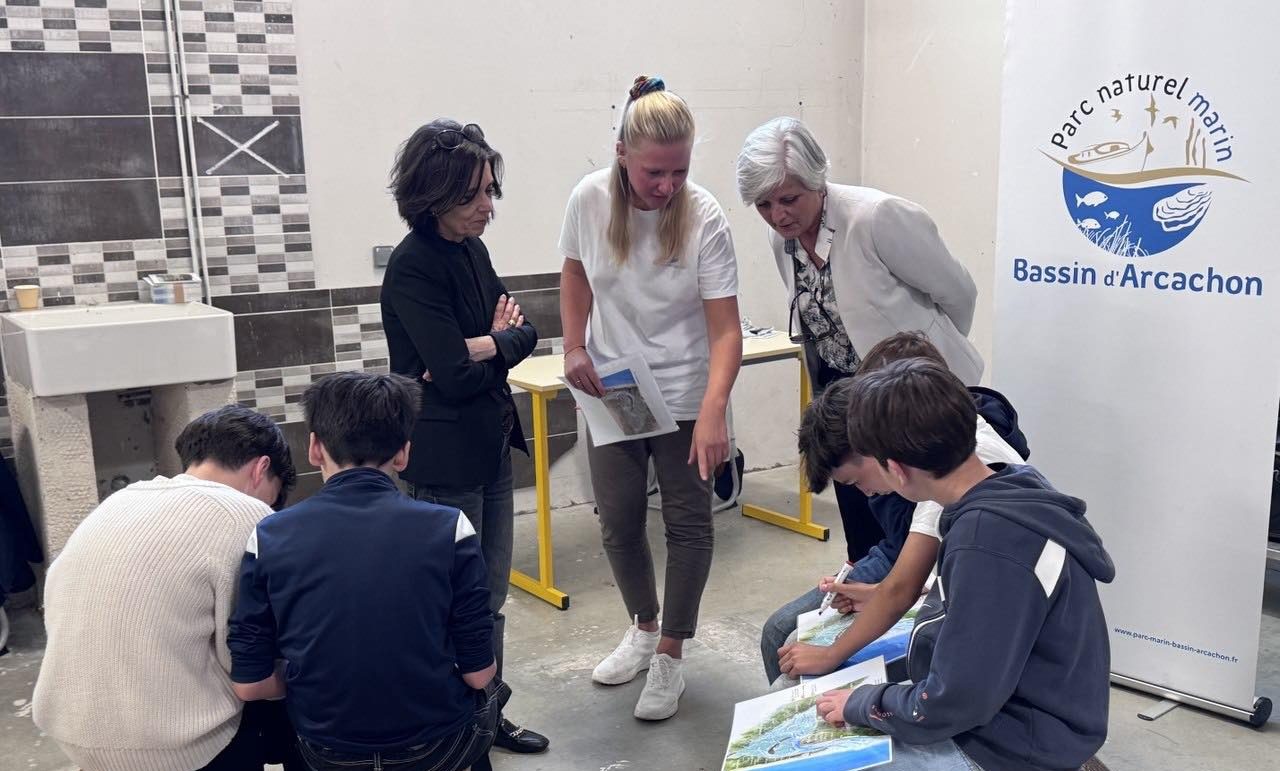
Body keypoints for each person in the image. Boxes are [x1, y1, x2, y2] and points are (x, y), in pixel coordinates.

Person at [813, 359, 1113, 771]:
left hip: (1017, 745)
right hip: (1023, 713)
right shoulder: (1009, 487)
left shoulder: (987, 541)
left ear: (896, 469)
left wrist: (865, 703)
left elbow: (955, 701)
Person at [559, 75, 742, 720]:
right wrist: (574, 346)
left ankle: (671, 652)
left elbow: (726, 329)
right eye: (654, 172)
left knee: (688, 521)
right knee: (618, 518)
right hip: (616, 386)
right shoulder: (588, 200)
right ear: (622, 154)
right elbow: (575, 273)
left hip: (688, 388)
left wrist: (714, 412)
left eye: (679, 171)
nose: (667, 186)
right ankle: (642, 626)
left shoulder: (704, 214)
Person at [228, 372, 510, 771]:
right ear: (403, 454)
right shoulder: (450, 528)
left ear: (314, 448)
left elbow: (250, 683)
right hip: (436, 747)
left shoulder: (269, 535)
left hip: (326, 751)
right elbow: (478, 675)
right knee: (485, 702)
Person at [736, 117, 983, 566]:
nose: (778, 215)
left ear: (817, 181)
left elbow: (959, 293)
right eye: (764, 205)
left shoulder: (877, 218)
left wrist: (926, 366)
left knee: (919, 526)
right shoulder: (782, 240)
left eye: (789, 199)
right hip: (843, 397)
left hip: (913, 398)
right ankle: (865, 586)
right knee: (861, 516)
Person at [381, 118, 548, 754]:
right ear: (433, 195)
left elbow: (526, 333)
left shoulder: (472, 250)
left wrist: (485, 344)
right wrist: (488, 346)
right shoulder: (413, 267)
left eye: (489, 191)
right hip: (442, 458)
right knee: (448, 602)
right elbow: (449, 376)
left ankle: (485, 715)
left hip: (490, 446)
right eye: (473, 194)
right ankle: (447, 730)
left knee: (491, 595)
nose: (488, 206)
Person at [33, 405, 298, 771]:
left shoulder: (119, 501)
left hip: (72, 729)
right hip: (176, 744)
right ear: (261, 468)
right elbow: (246, 664)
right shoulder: (248, 515)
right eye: (273, 495)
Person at [765, 332, 1029, 685]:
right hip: (978, 656)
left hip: (994, 680)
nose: (873, 492)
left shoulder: (961, 493)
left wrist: (851, 683)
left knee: (800, 669)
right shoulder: (962, 472)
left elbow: (955, 675)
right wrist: (882, 594)